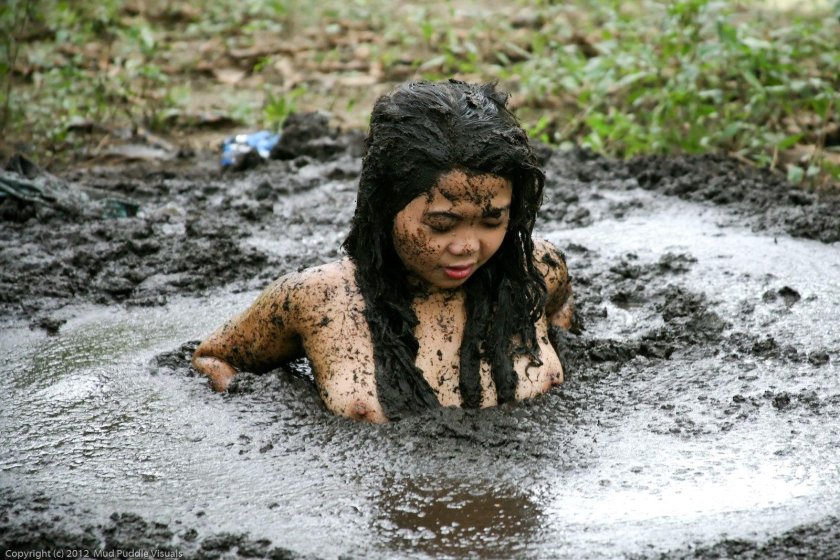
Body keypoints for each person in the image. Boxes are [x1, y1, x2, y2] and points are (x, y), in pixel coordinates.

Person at [192, 80, 575, 423]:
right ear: (385, 207)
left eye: (492, 222)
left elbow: (561, 313)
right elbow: (213, 359)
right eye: (441, 225)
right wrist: (285, 419)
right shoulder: (320, 299)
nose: (467, 247)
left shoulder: (535, 272)